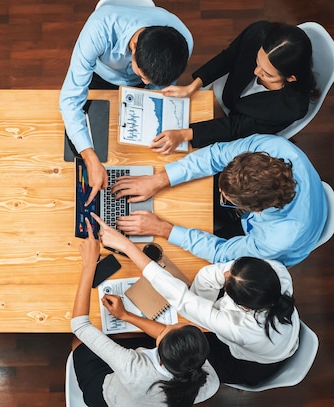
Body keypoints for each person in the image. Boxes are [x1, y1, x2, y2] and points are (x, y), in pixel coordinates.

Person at [91, 213, 299, 385]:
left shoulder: (241, 329)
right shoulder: (277, 271)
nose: (226, 272)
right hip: (273, 339)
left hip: (249, 364)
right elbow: (212, 275)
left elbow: (182, 299)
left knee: (176, 346)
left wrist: (128, 247)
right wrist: (201, 297)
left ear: (243, 306)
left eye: (228, 280)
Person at [109, 134, 326, 266]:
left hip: (285, 245)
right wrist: (160, 179)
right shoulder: (274, 146)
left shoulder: (277, 238)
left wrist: (164, 229)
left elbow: (220, 252)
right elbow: (215, 155)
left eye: (227, 198)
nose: (220, 194)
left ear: (254, 210)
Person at [71, 219, 219, 407]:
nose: (166, 327)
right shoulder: (210, 382)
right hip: (138, 389)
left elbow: (79, 325)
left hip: (106, 396)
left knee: (79, 344)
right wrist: (126, 316)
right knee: (125, 335)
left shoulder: (135, 369)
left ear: (162, 355)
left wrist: (89, 265)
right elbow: (167, 338)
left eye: (165, 330)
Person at [60, 3, 193, 204]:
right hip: (102, 75)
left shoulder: (183, 40)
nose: (145, 83)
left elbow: (157, 86)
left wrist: (153, 94)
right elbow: (70, 100)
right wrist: (89, 156)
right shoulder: (99, 30)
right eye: (143, 76)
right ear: (133, 47)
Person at [153, 20, 318, 154]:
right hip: (228, 92)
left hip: (242, 128)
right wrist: (193, 86)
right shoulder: (257, 33)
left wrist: (184, 134)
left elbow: (236, 128)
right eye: (257, 62)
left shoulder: (291, 107)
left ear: (290, 78)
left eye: (267, 74)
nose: (256, 71)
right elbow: (229, 58)